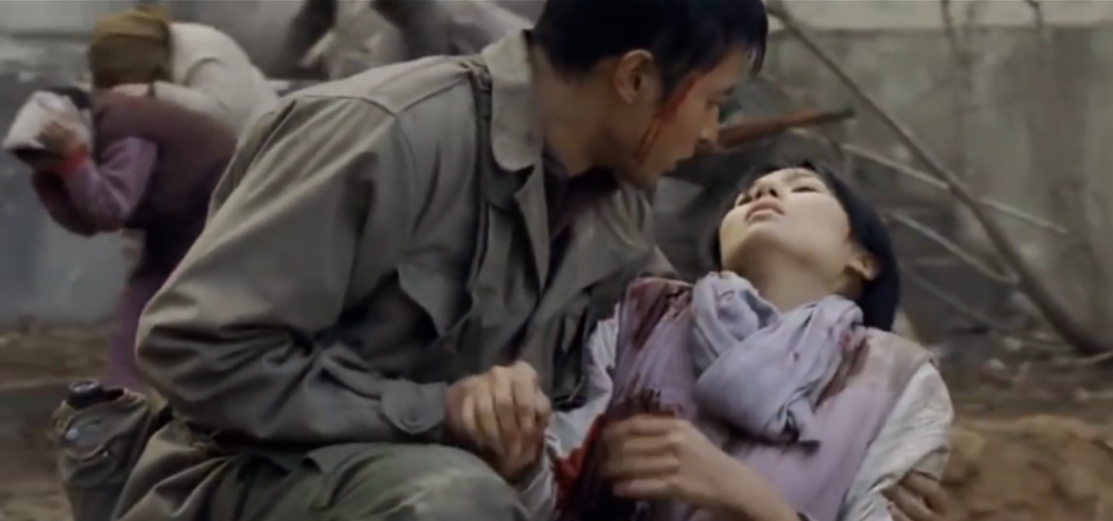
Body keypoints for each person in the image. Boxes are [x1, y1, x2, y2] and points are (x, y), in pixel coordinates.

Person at [112, 2, 768, 521]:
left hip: (435, 485)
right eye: (712, 101)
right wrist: (439, 411)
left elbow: (672, 343)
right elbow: (193, 348)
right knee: (455, 502)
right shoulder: (389, 135)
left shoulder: (614, 208)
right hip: (242, 480)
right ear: (634, 78)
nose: (711, 133)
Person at [534, 162, 953, 521]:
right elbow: (549, 488)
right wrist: (520, 454)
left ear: (863, 260)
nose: (763, 192)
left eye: (803, 189)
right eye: (744, 197)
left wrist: (749, 500)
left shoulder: (900, 377)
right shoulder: (641, 314)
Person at [1, 86, 237, 392]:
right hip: (179, 220)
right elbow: (86, 224)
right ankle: (128, 400)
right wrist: (51, 177)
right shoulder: (105, 127)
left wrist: (74, 162)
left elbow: (110, 211)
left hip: (217, 209)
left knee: (187, 317)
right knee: (134, 320)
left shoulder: (126, 131)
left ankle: (154, 397)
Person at [86, 5, 277, 134]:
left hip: (261, 145)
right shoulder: (164, 46)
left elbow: (226, 115)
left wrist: (155, 91)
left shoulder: (205, 52)